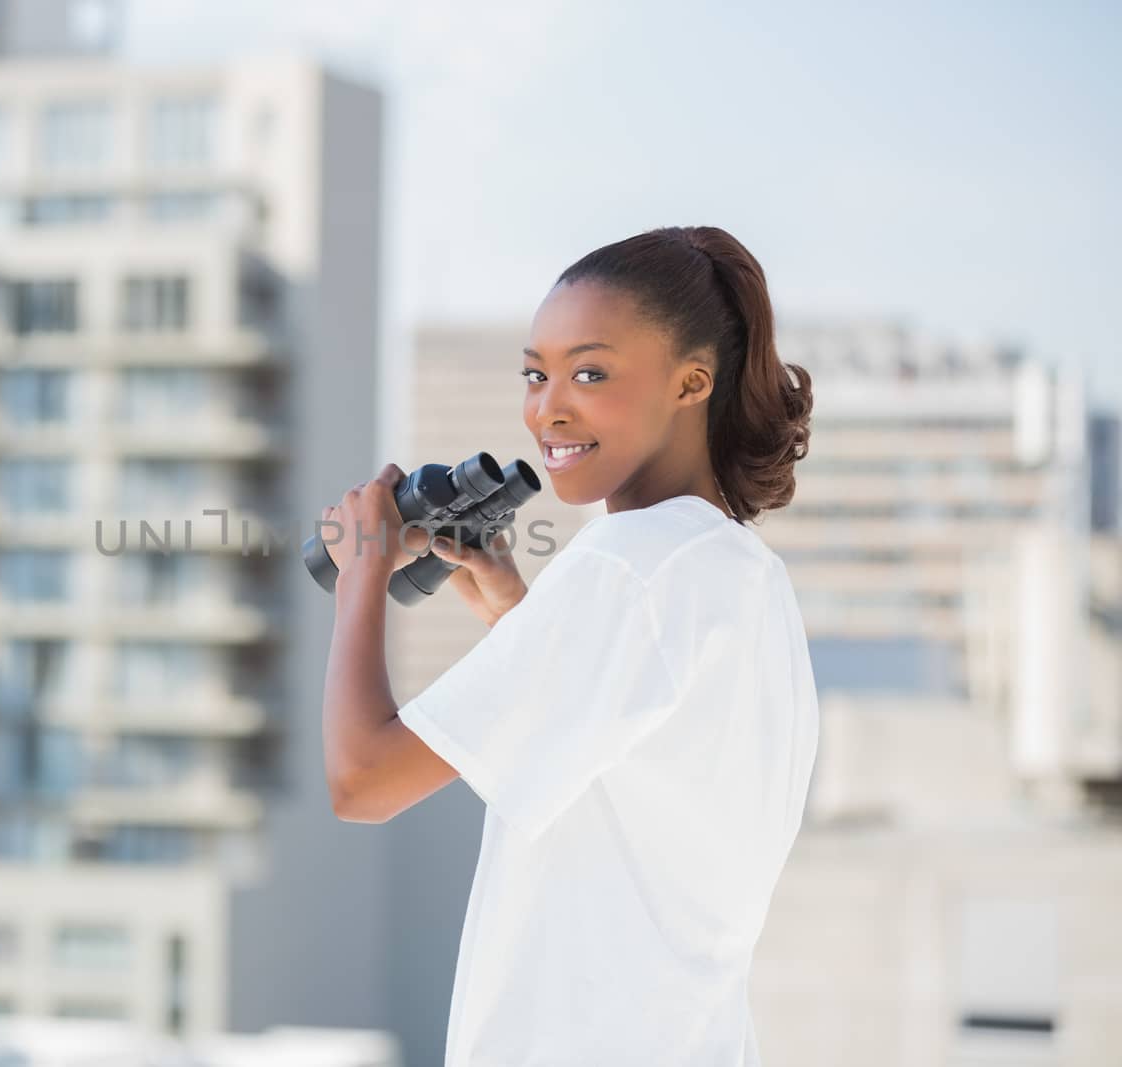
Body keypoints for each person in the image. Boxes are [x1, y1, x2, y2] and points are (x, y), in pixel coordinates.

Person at [319, 224, 820, 1066]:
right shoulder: (742, 575)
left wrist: (363, 568)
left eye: (590, 372)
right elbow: (643, 780)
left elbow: (362, 779)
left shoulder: (627, 566)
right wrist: (521, 617)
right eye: (535, 373)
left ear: (692, 381)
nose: (549, 405)